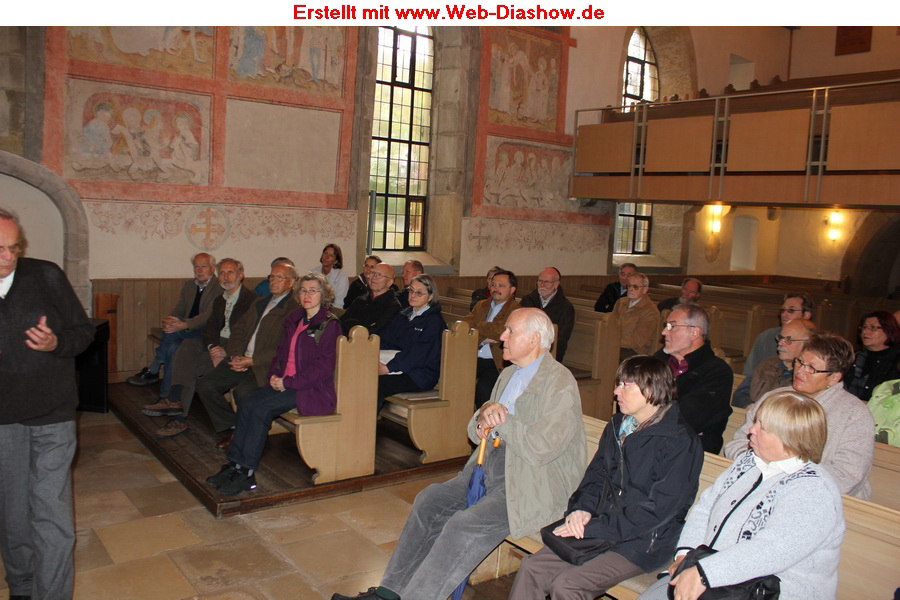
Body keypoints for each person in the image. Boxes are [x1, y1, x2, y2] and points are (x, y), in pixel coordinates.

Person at [331, 308, 587, 600]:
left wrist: (501, 420)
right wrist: (483, 418)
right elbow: (476, 428)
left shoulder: (559, 383)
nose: (502, 337)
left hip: (529, 483)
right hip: (487, 467)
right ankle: (389, 593)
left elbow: (543, 448)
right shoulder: (509, 374)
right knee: (429, 500)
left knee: (463, 525)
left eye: (510, 331)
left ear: (535, 339)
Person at [509, 356, 704, 600]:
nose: (616, 391)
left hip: (643, 541)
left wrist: (594, 527)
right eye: (618, 384)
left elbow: (656, 510)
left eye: (625, 385)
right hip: (603, 526)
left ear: (651, 389)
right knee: (532, 568)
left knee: (568, 586)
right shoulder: (618, 425)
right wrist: (581, 509)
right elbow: (597, 475)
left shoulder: (679, 442)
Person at [639, 391, 845, 600]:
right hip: (710, 573)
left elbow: (772, 550)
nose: (751, 430)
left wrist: (704, 574)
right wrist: (685, 554)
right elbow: (706, 508)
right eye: (756, 422)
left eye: (763, 428)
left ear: (790, 439)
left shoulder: (814, 490)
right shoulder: (749, 462)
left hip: (766, 591)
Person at [0, 208, 95, 599]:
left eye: (14, 247)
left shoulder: (46, 275)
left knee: (51, 513)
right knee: (12, 511)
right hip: (3, 418)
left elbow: (83, 332)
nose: (8, 256)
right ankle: (22, 585)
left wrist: (57, 342)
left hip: (53, 412)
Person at [206, 272, 341, 496]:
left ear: (324, 294)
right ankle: (235, 464)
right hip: (285, 382)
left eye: (313, 291)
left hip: (309, 389)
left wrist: (287, 382)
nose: (307, 295)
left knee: (261, 409)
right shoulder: (296, 318)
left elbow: (323, 367)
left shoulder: (329, 324)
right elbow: (281, 353)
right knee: (247, 403)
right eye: (303, 290)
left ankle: (247, 472)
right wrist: (275, 376)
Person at [725, 331, 874, 499]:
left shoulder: (854, 415)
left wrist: (783, 478)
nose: (800, 371)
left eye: (811, 368)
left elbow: (847, 476)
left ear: (833, 378)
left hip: (819, 499)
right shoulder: (774, 397)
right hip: (759, 485)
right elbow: (738, 443)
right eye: (800, 362)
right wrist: (760, 470)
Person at [195, 262, 300, 450]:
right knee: (206, 385)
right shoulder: (260, 302)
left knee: (243, 392)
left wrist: (252, 360)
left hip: (265, 366)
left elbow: (286, 346)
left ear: (291, 282)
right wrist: (236, 355)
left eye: (279, 277)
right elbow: (238, 330)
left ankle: (244, 434)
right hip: (242, 359)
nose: (273, 281)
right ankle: (234, 425)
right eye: (272, 276)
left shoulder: (294, 309)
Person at [150, 258, 259, 438]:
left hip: (235, 347)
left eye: (230, 272)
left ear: (241, 275)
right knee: (187, 346)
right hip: (217, 343)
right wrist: (213, 346)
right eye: (222, 273)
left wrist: (226, 351)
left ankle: (179, 417)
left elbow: (249, 334)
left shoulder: (252, 300)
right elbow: (210, 328)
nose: (225, 277)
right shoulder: (220, 299)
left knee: (191, 369)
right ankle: (174, 400)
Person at [126, 252, 218, 402]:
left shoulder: (218, 287)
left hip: (205, 331)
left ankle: (155, 366)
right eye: (196, 266)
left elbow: (208, 316)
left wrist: (184, 324)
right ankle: (166, 395)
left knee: (173, 335)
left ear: (213, 268)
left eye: (204, 266)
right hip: (185, 330)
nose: (199, 270)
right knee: (172, 348)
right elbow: (180, 307)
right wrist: (171, 320)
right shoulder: (189, 285)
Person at [654, 303, 733, 454]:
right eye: (666, 326)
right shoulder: (658, 360)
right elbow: (627, 402)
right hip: (651, 444)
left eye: (672, 326)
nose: (664, 332)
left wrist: (643, 413)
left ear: (694, 332)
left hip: (689, 453)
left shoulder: (717, 372)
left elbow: (684, 421)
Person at [376, 274, 447, 411]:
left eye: (419, 293)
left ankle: (366, 422)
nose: (413, 295)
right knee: (361, 374)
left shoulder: (434, 322)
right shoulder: (405, 314)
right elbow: (385, 339)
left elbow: (419, 354)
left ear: (430, 296)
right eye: (411, 290)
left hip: (419, 374)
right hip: (398, 365)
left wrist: (388, 368)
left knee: (376, 383)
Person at [463, 268, 521, 409]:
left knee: (483, 389)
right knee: (457, 382)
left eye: (501, 286)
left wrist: (479, 326)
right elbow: (464, 326)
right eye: (494, 284)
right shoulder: (481, 305)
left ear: (512, 289)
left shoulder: (516, 309)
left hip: (497, 362)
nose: (495, 288)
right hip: (473, 357)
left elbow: (501, 330)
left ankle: (483, 420)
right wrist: (483, 339)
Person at [732, 318, 815, 409]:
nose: (780, 343)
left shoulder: (807, 375)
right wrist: (750, 406)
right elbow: (740, 394)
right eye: (780, 338)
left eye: (788, 340)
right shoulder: (767, 364)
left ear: (807, 344)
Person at [743, 292, 813, 376]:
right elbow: (749, 373)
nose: (784, 314)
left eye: (791, 310)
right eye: (782, 310)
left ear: (806, 315)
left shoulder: (813, 342)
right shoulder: (765, 337)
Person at [519, 267, 575, 362]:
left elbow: (561, 338)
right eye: (540, 281)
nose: (542, 285)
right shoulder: (527, 300)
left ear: (556, 284)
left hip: (550, 353)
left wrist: (538, 349)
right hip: (525, 349)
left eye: (547, 282)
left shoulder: (565, 307)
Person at [844, 310, 900, 402]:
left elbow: (895, 396)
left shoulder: (896, 361)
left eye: (873, 327)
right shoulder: (856, 357)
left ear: (888, 331)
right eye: (864, 327)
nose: (865, 331)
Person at [340, 262, 402, 336]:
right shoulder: (361, 299)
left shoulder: (393, 306)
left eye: (379, 275)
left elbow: (374, 332)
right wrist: (363, 325)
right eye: (372, 273)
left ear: (389, 282)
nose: (374, 277)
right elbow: (341, 322)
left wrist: (352, 323)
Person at [612, 272, 660, 360]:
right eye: (629, 286)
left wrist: (613, 342)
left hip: (634, 351)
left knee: (606, 354)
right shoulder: (621, 302)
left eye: (635, 287)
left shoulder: (651, 311)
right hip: (617, 344)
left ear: (645, 289)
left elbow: (638, 341)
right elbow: (612, 324)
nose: (630, 289)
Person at [312, 243, 349, 309]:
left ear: (335, 261)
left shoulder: (341, 277)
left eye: (331, 255)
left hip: (333, 310)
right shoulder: (313, 273)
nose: (327, 257)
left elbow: (339, 303)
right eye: (325, 253)